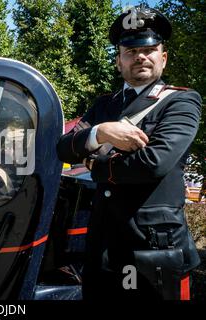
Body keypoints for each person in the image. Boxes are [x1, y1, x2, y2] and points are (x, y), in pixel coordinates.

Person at [57, 4, 201, 300]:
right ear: (119, 61)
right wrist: (102, 132)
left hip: (152, 249)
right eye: (131, 51)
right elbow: (62, 148)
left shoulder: (180, 102)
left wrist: (95, 164)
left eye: (149, 50)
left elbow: (154, 163)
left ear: (163, 57)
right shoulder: (104, 106)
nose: (140, 57)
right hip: (103, 247)